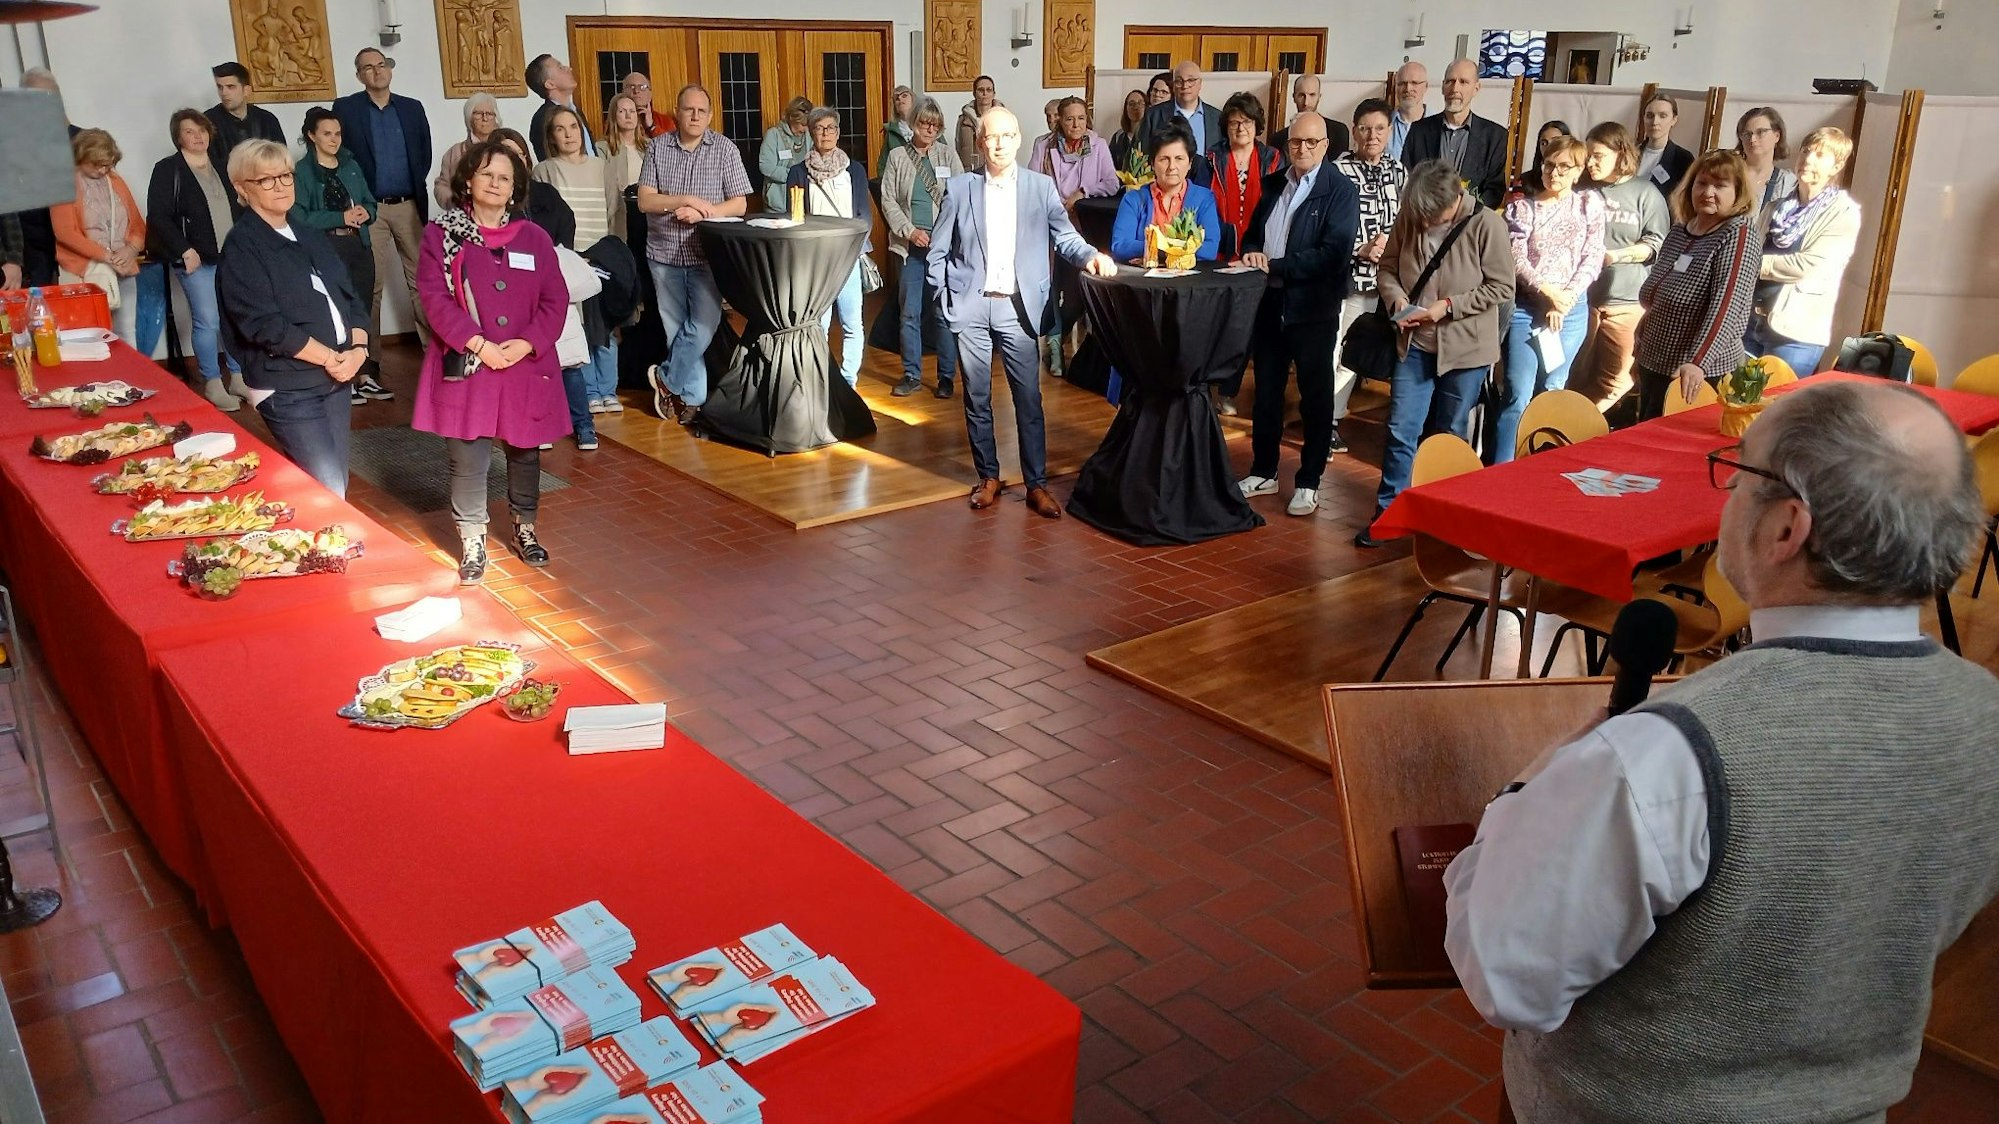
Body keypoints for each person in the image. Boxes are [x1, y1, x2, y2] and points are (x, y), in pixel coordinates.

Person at [1444, 378, 1999, 1124]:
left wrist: (1519, 801)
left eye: (1740, 473)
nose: (1727, 491)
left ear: (1785, 528)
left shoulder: (1667, 756)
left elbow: (1507, 978)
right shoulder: (1986, 717)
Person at [927, 106, 1116, 519]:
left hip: (1019, 308)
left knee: (1028, 399)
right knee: (977, 398)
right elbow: (937, 252)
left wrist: (1090, 257)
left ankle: (1036, 484)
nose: (999, 144)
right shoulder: (960, 189)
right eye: (991, 137)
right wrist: (945, 300)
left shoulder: (1039, 187)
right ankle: (988, 477)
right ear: (980, 143)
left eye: (1007, 136)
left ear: (1018, 139)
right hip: (971, 306)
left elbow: (1065, 237)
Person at [414, 140, 570, 584]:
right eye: (487, 174)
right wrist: (478, 344)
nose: (496, 183)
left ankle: (525, 528)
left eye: (504, 177)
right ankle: (473, 540)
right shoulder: (441, 235)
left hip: (524, 364)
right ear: (468, 179)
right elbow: (435, 298)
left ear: (515, 186)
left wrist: (527, 344)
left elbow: (555, 300)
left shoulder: (535, 238)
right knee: (468, 458)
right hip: (470, 363)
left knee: (524, 453)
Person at [1355, 159, 1512, 546]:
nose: (1423, 223)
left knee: (1451, 433)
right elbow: (1387, 268)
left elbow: (1502, 287)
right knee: (1401, 430)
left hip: (1466, 351)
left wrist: (1449, 306)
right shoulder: (1413, 214)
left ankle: (1444, 516)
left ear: (1456, 199)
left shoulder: (1486, 224)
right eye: (1418, 215)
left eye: (1432, 216)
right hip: (1414, 344)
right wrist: (1396, 301)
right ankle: (1390, 512)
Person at [216, 139, 369, 497]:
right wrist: (332, 358)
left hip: (336, 375)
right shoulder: (243, 245)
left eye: (285, 175)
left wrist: (359, 349)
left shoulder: (307, 233)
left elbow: (350, 297)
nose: (281, 185)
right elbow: (264, 325)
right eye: (266, 180)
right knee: (326, 486)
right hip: (288, 384)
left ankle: (325, 550)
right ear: (242, 188)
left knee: (336, 484)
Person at [1235, 112, 1361, 518]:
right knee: (1266, 394)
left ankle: (1308, 481)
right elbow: (1253, 233)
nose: (1302, 149)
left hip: (1313, 310)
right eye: (1295, 143)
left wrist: (1275, 265)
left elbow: (1333, 254)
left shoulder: (1339, 190)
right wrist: (1254, 251)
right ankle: (1263, 471)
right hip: (1270, 306)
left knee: (1316, 399)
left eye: (1310, 143)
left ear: (1326, 146)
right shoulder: (1273, 183)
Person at [638, 85, 752, 425]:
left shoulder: (725, 149)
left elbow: (740, 203)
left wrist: (705, 212)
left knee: (703, 325)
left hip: (706, 254)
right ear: (677, 112)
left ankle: (667, 379)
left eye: (702, 111)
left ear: (711, 115)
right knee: (676, 328)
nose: (695, 116)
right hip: (663, 252)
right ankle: (692, 399)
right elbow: (646, 201)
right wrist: (683, 199)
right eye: (689, 110)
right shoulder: (658, 147)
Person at [1490, 133, 1603, 464]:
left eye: (1564, 167)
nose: (1554, 172)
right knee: (1517, 393)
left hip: (1571, 310)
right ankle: (1501, 472)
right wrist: (1550, 295)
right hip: (1529, 309)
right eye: (1549, 164)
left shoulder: (1589, 204)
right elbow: (1517, 259)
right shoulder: (1522, 209)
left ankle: (1539, 468)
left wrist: (1565, 298)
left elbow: (1593, 255)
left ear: (1579, 170)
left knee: (1554, 388)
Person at [1632, 150, 1759, 421]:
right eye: (1701, 183)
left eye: (1720, 185)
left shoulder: (1738, 234)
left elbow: (1727, 307)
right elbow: (1656, 296)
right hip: (1655, 364)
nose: (1708, 192)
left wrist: (1698, 361)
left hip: (1701, 374)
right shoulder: (1680, 231)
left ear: (1738, 192)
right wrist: (1641, 349)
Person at [333, 47, 434, 371]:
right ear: (359, 75)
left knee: (423, 282)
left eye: (382, 64)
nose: (377, 71)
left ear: (390, 69)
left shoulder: (411, 108)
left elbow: (424, 153)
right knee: (370, 285)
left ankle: (435, 354)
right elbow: (341, 155)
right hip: (369, 208)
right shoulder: (346, 109)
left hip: (407, 205)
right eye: (368, 67)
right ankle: (368, 360)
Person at [147, 109, 249, 410]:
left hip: (228, 256)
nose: (198, 136)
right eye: (190, 131)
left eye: (202, 130)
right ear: (178, 137)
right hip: (194, 259)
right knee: (208, 320)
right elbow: (159, 217)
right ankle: (213, 383)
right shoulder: (169, 169)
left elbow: (239, 210)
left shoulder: (222, 165)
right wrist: (184, 250)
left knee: (233, 317)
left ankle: (239, 377)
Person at [1748, 127, 1862, 377]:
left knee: (1779, 410)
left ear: (1836, 166)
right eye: (1806, 151)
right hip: (1749, 322)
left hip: (1795, 334)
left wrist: (1752, 264)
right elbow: (1750, 248)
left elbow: (1809, 267)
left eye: (1820, 155)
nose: (1808, 159)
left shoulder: (1843, 212)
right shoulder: (1775, 207)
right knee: (1736, 407)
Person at [1574, 121, 1668, 417]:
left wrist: (1615, 256)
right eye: (1588, 155)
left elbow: (1656, 244)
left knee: (1617, 379)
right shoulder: (1582, 189)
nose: (1590, 162)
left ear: (1621, 153)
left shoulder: (1646, 193)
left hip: (1627, 303)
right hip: (1581, 302)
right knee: (1573, 377)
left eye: (1598, 155)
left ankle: (1574, 424)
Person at [290, 107, 380, 406]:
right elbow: (299, 216)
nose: (334, 139)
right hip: (327, 249)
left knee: (362, 309)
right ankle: (344, 376)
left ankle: (365, 376)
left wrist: (367, 212)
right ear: (311, 136)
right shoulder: (302, 171)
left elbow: (370, 201)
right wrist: (340, 217)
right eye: (326, 134)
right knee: (336, 312)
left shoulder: (351, 165)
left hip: (358, 245)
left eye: (337, 133)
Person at [1329, 99, 1408, 434]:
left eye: (1379, 128)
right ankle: (1325, 421)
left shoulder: (1399, 171)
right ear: (1354, 132)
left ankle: (1336, 414)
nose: (1372, 136)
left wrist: (1391, 245)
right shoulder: (1337, 170)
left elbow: (1408, 220)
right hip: (1347, 277)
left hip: (1387, 279)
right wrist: (1360, 247)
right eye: (1364, 129)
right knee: (1337, 350)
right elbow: (1328, 226)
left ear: (1390, 131)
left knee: (1363, 351)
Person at [786, 107, 874, 390]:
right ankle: (820, 378)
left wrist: (853, 247)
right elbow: (795, 218)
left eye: (830, 128)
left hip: (847, 259)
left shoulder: (855, 171)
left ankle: (848, 380)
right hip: (816, 261)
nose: (825, 133)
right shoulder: (798, 173)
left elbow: (864, 216)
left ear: (838, 132)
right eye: (819, 128)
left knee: (852, 323)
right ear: (811, 133)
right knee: (818, 325)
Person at [880, 97, 963, 399]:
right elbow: (888, 199)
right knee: (909, 314)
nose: (929, 128)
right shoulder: (898, 157)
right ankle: (911, 374)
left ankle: (945, 377)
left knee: (942, 313)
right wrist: (910, 231)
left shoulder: (948, 155)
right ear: (913, 123)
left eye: (935, 124)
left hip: (942, 248)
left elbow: (960, 198)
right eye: (924, 122)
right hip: (910, 248)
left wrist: (942, 236)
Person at [51, 129, 144, 345]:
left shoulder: (116, 181)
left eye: (108, 164)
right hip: (84, 270)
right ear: (81, 157)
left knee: (127, 332)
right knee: (88, 335)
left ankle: (128, 378)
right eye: (97, 164)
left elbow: (138, 225)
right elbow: (65, 233)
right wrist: (108, 256)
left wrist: (130, 250)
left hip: (124, 267)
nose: (104, 170)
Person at [1401, 59, 1508, 209]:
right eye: (1450, 81)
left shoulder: (1495, 136)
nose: (1455, 88)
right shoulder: (1419, 131)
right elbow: (1406, 179)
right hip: (1424, 222)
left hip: (1471, 225)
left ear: (1476, 88)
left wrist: (1468, 215)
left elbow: (1494, 190)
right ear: (1443, 87)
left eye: (1463, 82)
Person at [1109, 124, 1222, 265]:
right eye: (1164, 159)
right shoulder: (1133, 199)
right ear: (1152, 163)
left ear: (1190, 163)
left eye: (1179, 158)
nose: (1172, 167)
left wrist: (1156, 248)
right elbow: (1120, 247)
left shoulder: (1204, 198)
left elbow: (1210, 249)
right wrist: (1181, 249)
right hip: (1144, 283)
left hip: (1190, 283)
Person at [1206, 93, 1284, 264]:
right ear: (1226, 127)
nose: (1241, 128)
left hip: (1262, 252)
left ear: (1256, 124)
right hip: (1219, 250)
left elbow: (1279, 206)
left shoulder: (1273, 159)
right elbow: (1203, 208)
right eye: (1234, 123)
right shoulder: (1211, 159)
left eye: (1247, 121)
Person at [532, 106, 613, 252]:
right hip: (564, 254)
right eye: (560, 129)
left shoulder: (601, 166)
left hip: (603, 254)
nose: (568, 134)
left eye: (573, 127)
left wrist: (615, 248)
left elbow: (616, 212)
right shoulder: (543, 170)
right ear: (551, 137)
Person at [1029, 97, 1116, 206]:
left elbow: (1112, 184)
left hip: (1087, 213)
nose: (1076, 125)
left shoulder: (1099, 145)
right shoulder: (1043, 145)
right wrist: (1062, 204)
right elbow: (1032, 184)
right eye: (1070, 119)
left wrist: (1083, 192)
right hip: (1053, 212)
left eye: (1081, 118)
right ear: (1060, 121)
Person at [205, 62, 284, 173]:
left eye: (230, 87)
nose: (224, 93)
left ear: (246, 90)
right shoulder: (207, 122)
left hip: (265, 183)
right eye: (220, 87)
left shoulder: (267, 120)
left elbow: (281, 159)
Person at [433, 93, 502, 210]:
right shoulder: (454, 153)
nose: (485, 118)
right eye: (478, 114)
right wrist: (457, 204)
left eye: (490, 114)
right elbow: (442, 186)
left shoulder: (506, 149)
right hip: (463, 216)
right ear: (469, 118)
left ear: (496, 119)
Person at [1139, 62, 1222, 158]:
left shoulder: (1217, 118)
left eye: (1191, 80)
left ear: (1200, 84)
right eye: (1179, 81)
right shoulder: (1153, 115)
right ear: (1173, 86)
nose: (1185, 86)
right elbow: (1141, 154)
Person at [526, 55, 596, 161]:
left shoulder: (576, 111)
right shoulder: (543, 118)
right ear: (550, 84)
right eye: (560, 67)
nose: (569, 69)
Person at [1269, 75, 1349, 167]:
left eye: (1312, 95)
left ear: (1319, 97)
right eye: (1301, 95)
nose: (1306, 102)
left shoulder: (1338, 132)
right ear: (1294, 97)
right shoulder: (1278, 139)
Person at [1735, 106, 1797, 223]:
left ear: (1777, 136)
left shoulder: (1788, 182)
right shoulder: (1729, 175)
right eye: (1747, 134)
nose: (1752, 139)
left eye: (1760, 132)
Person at [603, 92, 648, 246]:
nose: (628, 116)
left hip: (646, 211)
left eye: (632, 111)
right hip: (620, 212)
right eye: (622, 111)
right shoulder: (603, 148)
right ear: (614, 116)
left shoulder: (650, 146)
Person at [1637, 94, 1696, 200]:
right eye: (1650, 116)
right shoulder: (1630, 153)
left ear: (1674, 120)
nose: (1655, 122)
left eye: (1663, 116)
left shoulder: (1683, 159)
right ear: (1643, 118)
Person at [758, 97, 812, 213]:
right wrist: (794, 176)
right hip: (778, 204)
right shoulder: (773, 135)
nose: (805, 129)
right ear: (792, 118)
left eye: (808, 125)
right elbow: (766, 166)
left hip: (804, 203)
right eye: (802, 124)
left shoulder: (809, 136)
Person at [1511, 120, 1573, 198]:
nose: (1549, 147)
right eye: (1544, 143)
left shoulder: (1575, 180)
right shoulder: (1525, 181)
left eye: (1555, 141)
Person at [955, 75, 1000, 173]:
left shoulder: (1002, 119)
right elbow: (958, 147)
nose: (985, 93)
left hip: (995, 173)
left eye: (989, 90)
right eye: (981, 90)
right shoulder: (963, 120)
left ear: (993, 94)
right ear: (974, 93)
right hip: (969, 173)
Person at [1388, 61, 1428, 162]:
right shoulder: (1384, 125)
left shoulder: (1440, 126)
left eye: (1414, 83)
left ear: (1426, 87)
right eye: (1402, 83)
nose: (1408, 89)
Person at [876, 85, 916, 175]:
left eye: (904, 95)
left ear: (913, 101)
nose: (900, 99)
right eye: (897, 99)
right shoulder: (891, 132)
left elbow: (943, 153)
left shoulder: (927, 124)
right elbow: (882, 165)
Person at [623, 72, 672, 139]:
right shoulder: (615, 121)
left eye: (642, 87)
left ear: (650, 94)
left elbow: (672, 147)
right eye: (631, 87)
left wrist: (652, 126)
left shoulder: (665, 121)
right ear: (623, 92)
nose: (636, 91)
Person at [1108, 89, 1147, 174]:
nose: (1136, 107)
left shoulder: (1151, 135)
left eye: (1140, 103)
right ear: (1126, 109)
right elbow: (1110, 166)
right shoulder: (1118, 137)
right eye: (1131, 104)